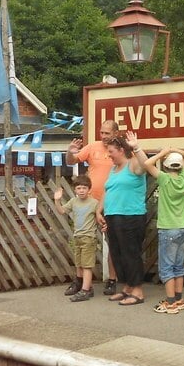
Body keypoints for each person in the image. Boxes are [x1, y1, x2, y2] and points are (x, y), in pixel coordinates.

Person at [66, 120, 119, 295]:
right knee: (82, 241)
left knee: (111, 242)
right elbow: (71, 161)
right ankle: (79, 281)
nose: (103, 137)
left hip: (111, 203)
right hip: (89, 203)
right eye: (102, 133)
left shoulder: (120, 150)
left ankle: (112, 280)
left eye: (107, 133)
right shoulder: (93, 146)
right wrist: (70, 151)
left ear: (116, 133)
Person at [96, 132, 148, 306]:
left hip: (131, 216)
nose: (108, 154)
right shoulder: (113, 169)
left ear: (120, 150)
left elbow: (146, 165)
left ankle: (138, 291)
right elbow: (107, 190)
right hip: (113, 216)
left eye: (111, 151)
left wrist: (136, 147)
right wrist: (99, 211)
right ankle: (127, 288)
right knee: (117, 254)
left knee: (131, 253)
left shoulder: (133, 164)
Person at [143, 146, 184, 314]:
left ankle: (170, 303)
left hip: (167, 228)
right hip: (182, 227)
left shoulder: (164, 179)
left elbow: (147, 164)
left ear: (167, 166)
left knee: (167, 267)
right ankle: (178, 299)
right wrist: (177, 151)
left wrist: (163, 152)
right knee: (178, 266)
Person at [53, 174, 99, 302]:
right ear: (75, 190)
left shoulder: (94, 203)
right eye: (79, 188)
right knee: (79, 264)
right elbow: (62, 211)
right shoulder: (73, 201)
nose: (81, 191)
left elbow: (100, 217)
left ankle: (85, 291)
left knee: (87, 266)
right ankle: (85, 286)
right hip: (77, 236)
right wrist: (57, 200)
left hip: (88, 237)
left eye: (84, 188)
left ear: (89, 189)